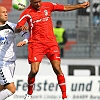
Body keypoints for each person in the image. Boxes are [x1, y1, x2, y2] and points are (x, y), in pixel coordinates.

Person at [16, 0, 90, 100]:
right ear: (30, 2)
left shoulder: (48, 5)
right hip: (36, 44)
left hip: (51, 44)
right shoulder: (27, 13)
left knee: (57, 68)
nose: (38, 4)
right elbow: (17, 28)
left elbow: (64, 8)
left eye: (39, 1)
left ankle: (64, 96)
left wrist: (80, 6)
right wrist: (21, 28)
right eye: (35, 2)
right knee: (34, 70)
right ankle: (29, 93)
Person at [0, 6, 29, 100]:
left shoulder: (11, 26)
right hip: (2, 63)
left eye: (6, 12)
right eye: (3, 12)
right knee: (11, 89)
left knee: (2, 89)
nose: (6, 14)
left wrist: (25, 40)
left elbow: (23, 32)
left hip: (12, 63)